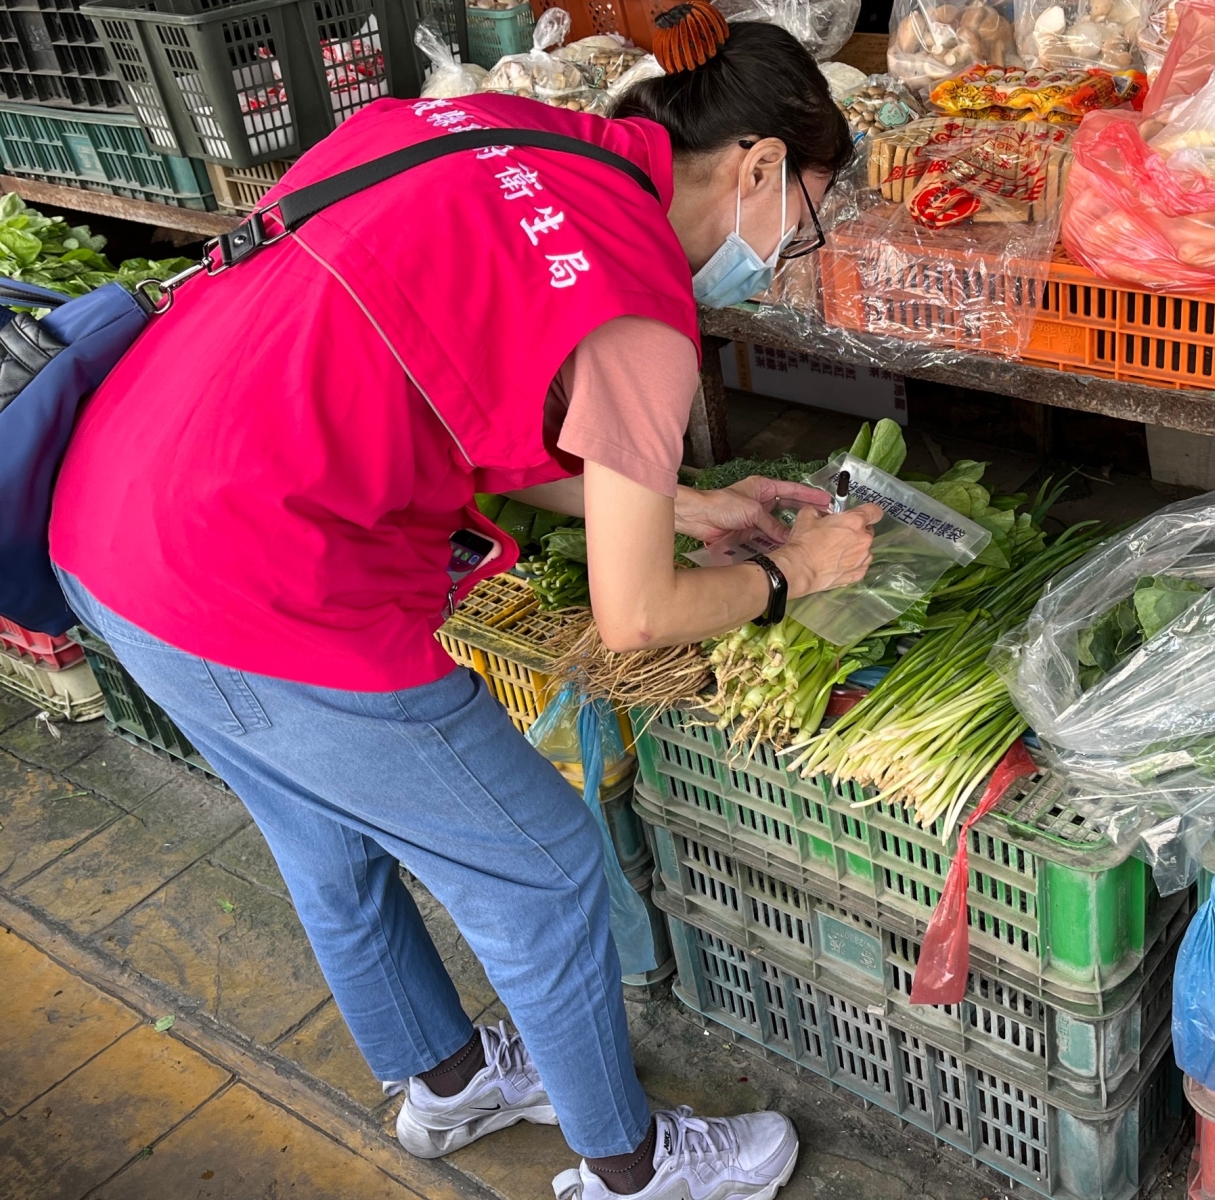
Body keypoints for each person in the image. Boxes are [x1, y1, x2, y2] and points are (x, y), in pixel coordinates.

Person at [46, 6, 878, 1198]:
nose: (790, 243)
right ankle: (631, 1170)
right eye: (803, 208)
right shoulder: (641, 304)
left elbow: (427, 372)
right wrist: (796, 572)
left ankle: (446, 1085)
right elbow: (636, 617)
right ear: (754, 166)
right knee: (541, 867)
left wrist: (681, 504)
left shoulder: (500, 132)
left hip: (111, 518)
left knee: (326, 840)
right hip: (259, 581)